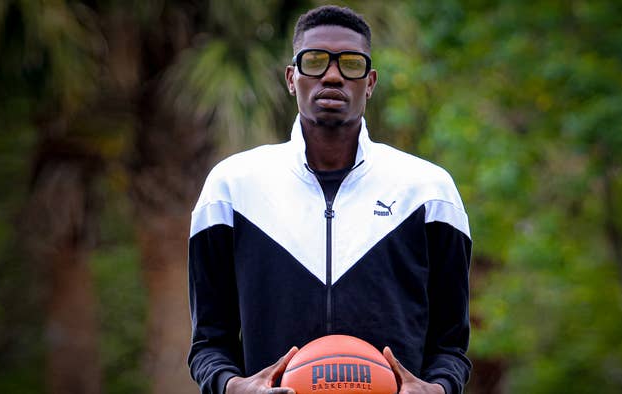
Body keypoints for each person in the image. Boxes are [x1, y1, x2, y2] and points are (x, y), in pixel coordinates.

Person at [187, 5, 472, 394]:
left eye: (351, 64)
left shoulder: (428, 191)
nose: (333, 75)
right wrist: (232, 386)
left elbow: (451, 346)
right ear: (292, 78)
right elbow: (209, 342)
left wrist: (437, 389)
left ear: (369, 82)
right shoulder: (232, 188)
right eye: (315, 61)